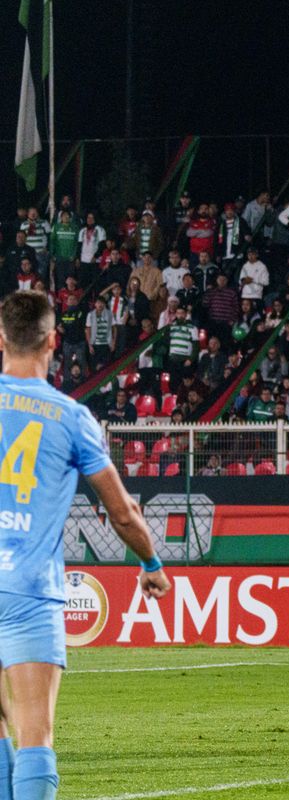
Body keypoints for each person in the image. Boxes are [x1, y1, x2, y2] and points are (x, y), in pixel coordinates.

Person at [0, 291, 172, 797]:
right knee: (35, 730)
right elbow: (122, 512)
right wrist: (152, 563)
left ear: (1, 339)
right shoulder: (71, 417)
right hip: (31, 587)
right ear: (54, 341)